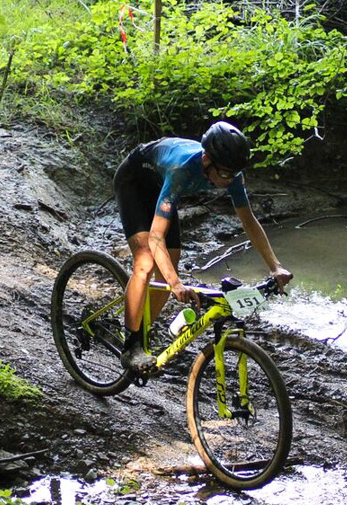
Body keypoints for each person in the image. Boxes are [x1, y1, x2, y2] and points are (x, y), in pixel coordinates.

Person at [114, 121, 292, 373]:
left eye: (233, 174)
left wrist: (276, 267)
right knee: (145, 263)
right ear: (207, 160)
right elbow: (155, 238)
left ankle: (143, 334)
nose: (228, 179)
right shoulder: (182, 170)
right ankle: (131, 346)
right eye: (224, 174)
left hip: (161, 186)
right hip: (134, 181)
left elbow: (249, 221)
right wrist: (176, 283)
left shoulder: (231, 174)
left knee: (168, 267)